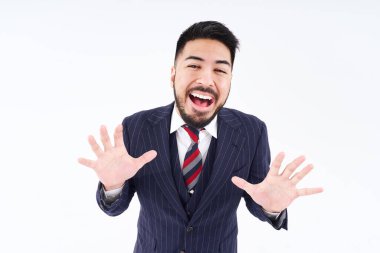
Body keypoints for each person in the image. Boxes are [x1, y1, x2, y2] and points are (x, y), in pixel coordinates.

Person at [78, 21, 323, 253]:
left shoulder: (252, 131)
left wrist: (271, 207)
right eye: (194, 65)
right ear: (173, 74)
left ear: (229, 81)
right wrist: (113, 186)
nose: (206, 79)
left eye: (219, 70)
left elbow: (258, 198)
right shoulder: (137, 127)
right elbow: (115, 208)